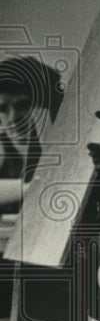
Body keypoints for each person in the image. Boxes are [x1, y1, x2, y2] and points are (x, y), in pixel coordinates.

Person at [0, 55, 62, 214]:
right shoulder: (4, 146)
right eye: (2, 109)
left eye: (22, 105)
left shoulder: (61, 147)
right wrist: (30, 188)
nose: (13, 118)